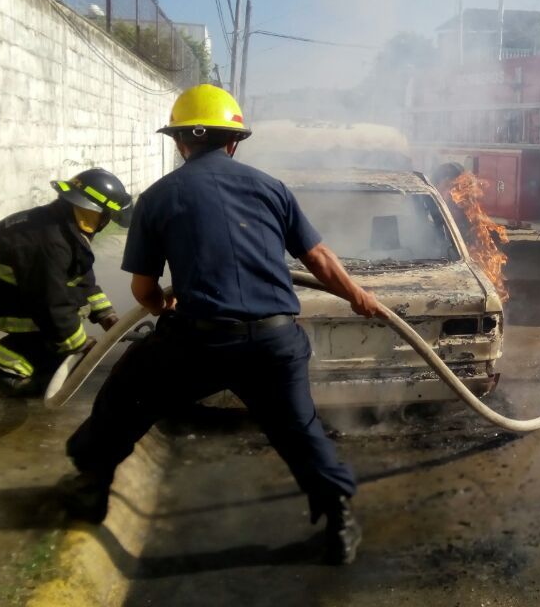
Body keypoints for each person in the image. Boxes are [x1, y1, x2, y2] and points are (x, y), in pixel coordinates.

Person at [61, 84, 384, 565]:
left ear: (179, 143)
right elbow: (316, 255)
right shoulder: (270, 187)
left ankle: (91, 488)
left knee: (125, 396)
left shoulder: (158, 196)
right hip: (275, 342)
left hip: (198, 340)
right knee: (299, 430)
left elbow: (145, 290)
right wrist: (358, 294)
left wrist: (160, 310)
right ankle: (339, 522)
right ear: (234, 142)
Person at [0, 169, 131, 397]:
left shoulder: (62, 224)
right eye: (106, 215)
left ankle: (11, 363)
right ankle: (2, 369)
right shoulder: (51, 243)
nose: (106, 222)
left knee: (67, 317)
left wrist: (105, 315)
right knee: (60, 324)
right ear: (91, 213)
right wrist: (79, 345)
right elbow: (52, 303)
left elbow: (79, 276)